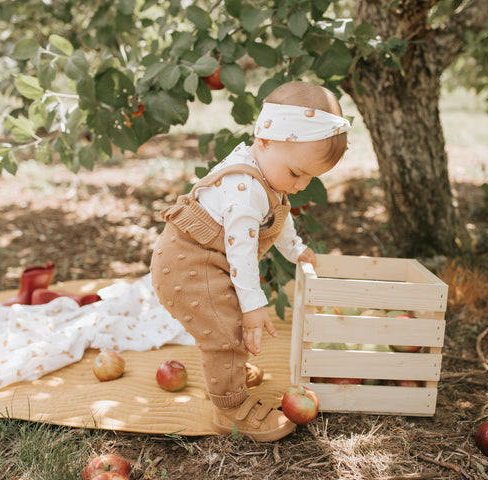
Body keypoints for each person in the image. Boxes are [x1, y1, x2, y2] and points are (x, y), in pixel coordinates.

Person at [150, 81, 350, 442]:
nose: (301, 185)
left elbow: (278, 215)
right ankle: (229, 409)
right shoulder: (244, 188)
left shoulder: (269, 175)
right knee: (226, 334)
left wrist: (295, 249)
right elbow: (241, 250)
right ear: (265, 141)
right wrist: (253, 306)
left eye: (309, 177)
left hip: (212, 260)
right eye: (296, 173)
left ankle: (232, 372)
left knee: (229, 329)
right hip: (189, 266)